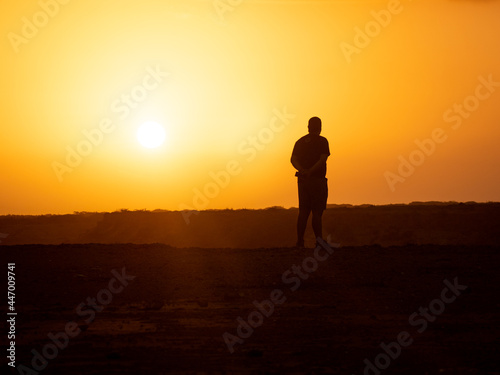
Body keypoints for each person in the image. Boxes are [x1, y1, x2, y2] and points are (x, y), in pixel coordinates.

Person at [291, 117, 330, 248]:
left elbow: (293, 159)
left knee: (303, 211)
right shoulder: (322, 141)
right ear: (320, 127)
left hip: (302, 181)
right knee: (317, 212)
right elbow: (322, 159)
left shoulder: (300, 142)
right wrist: (310, 171)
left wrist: (302, 170)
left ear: (308, 127)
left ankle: (299, 242)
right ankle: (319, 241)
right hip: (317, 180)